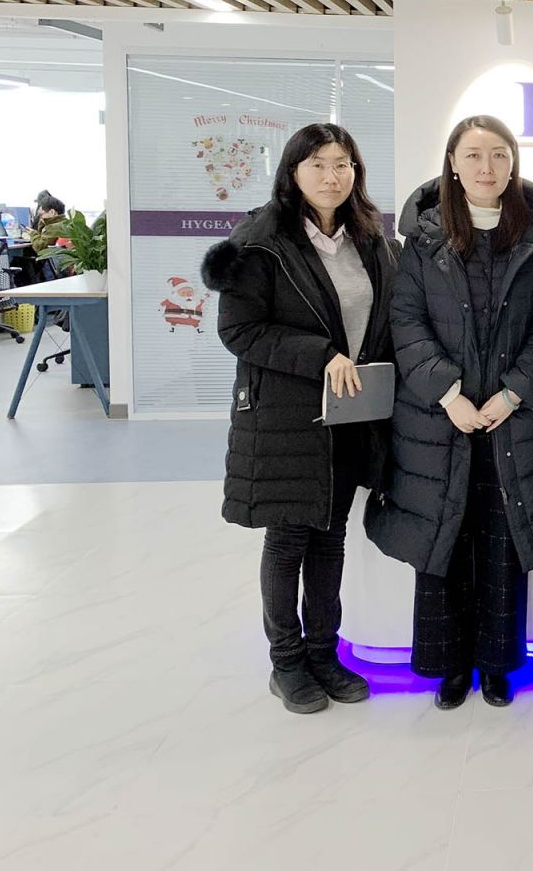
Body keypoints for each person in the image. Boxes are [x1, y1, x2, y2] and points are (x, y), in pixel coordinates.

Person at [366, 116, 533, 711]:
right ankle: (448, 667)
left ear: (513, 163)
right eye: (473, 155)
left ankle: (494, 666)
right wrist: (448, 394)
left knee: (501, 543)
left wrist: (513, 394)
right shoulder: (424, 238)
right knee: (442, 539)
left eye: (498, 155)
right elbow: (406, 321)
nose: (486, 167)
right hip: (440, 420)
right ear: (453, 163)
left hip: (513, 420)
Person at [202, 123, 398, 714]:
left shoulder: (370, 236)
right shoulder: (261, 241)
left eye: (343, 164)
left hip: (351, 410)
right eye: (317, 164)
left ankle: (323, 654)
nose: (332, 177)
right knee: (289, 539)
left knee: (331, 537)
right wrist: (320, 356)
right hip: (287, 414)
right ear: (292, 172)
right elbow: (239, 330)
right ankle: (286, 663)